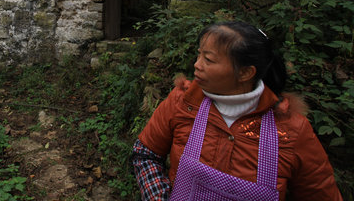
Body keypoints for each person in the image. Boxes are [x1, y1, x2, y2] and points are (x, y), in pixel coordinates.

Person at [132, 21, 342, 200]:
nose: (197, 65)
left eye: (209, 59)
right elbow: (145, 154)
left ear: (245, 73)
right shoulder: (183, 103)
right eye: (199, 55)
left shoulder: (291, 131)